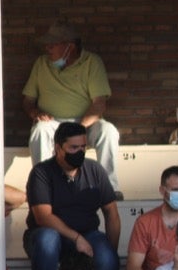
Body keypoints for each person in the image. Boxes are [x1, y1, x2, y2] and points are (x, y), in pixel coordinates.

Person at [24, 120, 122, 270]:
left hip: (88, 234)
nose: (80, 152)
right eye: (73, 147)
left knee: (107, 256)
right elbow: (44, 217)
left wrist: (110, 250)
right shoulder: (41, 172)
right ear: (58, 148)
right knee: (47, 239)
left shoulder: (95, 170)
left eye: (83, 147)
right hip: (48, 235)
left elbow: (112, 213)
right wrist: (76, 237)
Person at [23, 21, 122, 192]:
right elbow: (27, 100)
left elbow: (99, 104)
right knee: (40, 130)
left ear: (70, 46)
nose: (48, 48)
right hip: (52, 124)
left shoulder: (91, 62)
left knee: (108, 131)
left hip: (84, 124)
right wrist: (35, 113)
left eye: (53, 44)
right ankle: (43, 187)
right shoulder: (41, 63)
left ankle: (109, 188)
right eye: (47, 44)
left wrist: (78, 128)